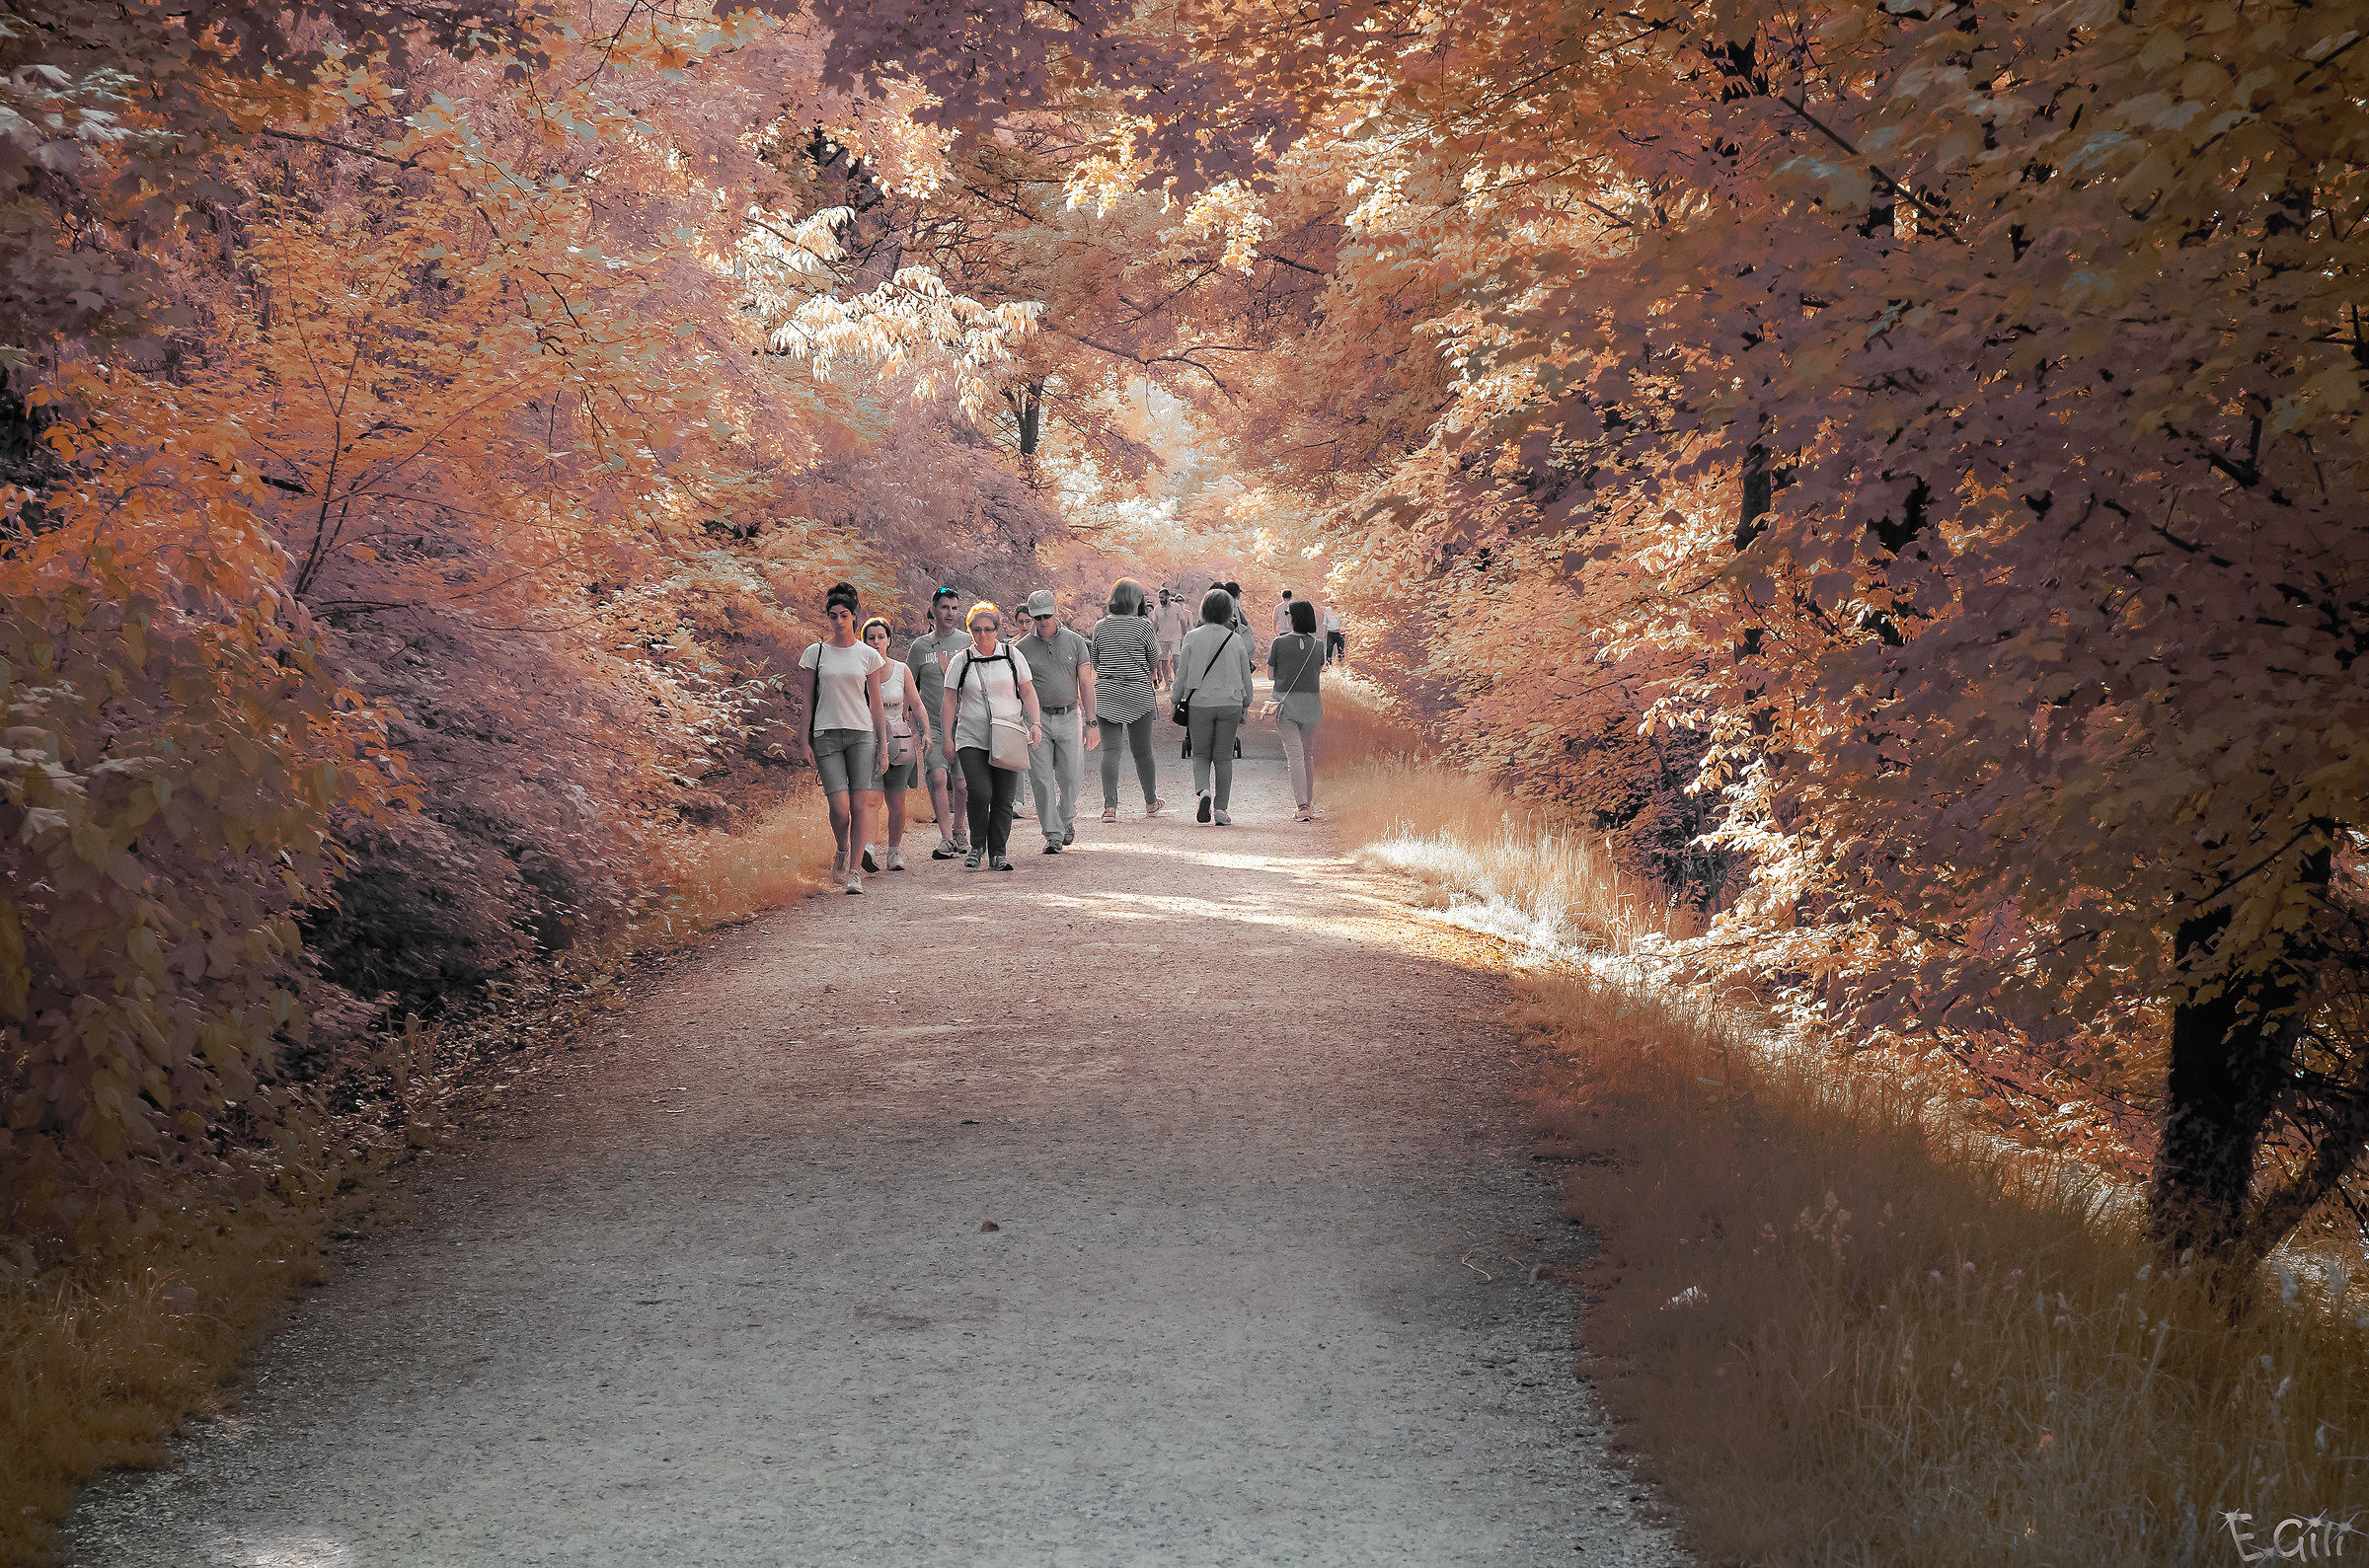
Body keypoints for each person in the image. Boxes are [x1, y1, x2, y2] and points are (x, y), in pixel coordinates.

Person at [800, 581, 889, 894]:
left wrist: (884, 748)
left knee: (859, 805)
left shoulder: (868, 655)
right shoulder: (816, 653)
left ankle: (854, 871)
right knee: (839, 808)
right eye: (833, 615)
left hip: (861, 735)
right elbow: (808, 700)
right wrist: (803, 740)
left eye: (844, 615)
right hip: (826, 735)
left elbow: (875, 703)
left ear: (854, 617)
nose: (838, 621)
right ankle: (841, 848)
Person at [940, 601, 1042, 871]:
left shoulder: (1012, 656)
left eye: (988, 629)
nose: (982, 634)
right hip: (972, 736)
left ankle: (998, 852)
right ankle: (976, 846)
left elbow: (1028, 690)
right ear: (970, 630)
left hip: (1008, 733)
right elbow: (949, 699)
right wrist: (948, 738)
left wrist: (1036, 723)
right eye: (976, 629)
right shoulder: (961, 661)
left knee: (1003, 797)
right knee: (980, 791)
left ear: (997, 629)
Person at [1016, 588, 1097, 855]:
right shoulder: (1021, 649)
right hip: (1037, 719)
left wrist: (1091, 722)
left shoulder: (1075, 642)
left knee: (1071, 776)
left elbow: (1086, 684)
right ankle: (1052, 833)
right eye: (1037, 617)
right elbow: (1017, 689)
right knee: (1040, 778)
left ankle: (1066, 818)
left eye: (1047, 615)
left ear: (1056, 611)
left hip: (1069, 714)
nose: (1042, 621)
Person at [1174, 588, 1254, 826]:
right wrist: (1245, 702)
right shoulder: (1236, 639)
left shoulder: (1192, 637)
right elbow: (1245, 677)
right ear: (1229, 612)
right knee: (1224, 758)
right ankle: (1221, 810)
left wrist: (1176, 700)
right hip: (1230, 702)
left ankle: (1204, 792)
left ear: (1204, 611)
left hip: (1200, 703)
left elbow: (1182, 674)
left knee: (1200, 753)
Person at [1091, 578, 1166, 823]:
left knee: (1110, 750)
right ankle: (1150, 802)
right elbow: (1154, 658)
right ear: (1136, 600)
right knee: (1142, 751)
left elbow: (1096, 660)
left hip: (1107, 692)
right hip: (1138, 693)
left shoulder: (1100, 627)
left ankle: (1109, 807)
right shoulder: (1143, 626)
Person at [859, 616, 928, 870]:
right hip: (868, 741)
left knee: (896, 800)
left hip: (900, 740)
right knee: (871, 799)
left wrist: (927, 732)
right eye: (871, 638)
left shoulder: (901, 670)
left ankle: (894, 852)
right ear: (863, 641)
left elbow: (917, 704)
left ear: (889, 640)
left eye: (880, 637)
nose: (876, 642)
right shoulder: (859, 671)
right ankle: (868, 849)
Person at [907, 586, 970, 859]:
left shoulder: (968, 641)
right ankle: (946, 838)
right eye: (945, 607)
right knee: (937, 776)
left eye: (955, 608)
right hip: (932, 723)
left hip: (964, 722)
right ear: (933, 610)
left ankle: (960, 830)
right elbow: (909, 686)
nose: (950, 613)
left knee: (963, 784)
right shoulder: (920, 646)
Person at [1267, 599, 1326, 821]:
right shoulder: (1318, 645)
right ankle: (1309, 805)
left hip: (1286, 704)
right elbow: (1318, 670)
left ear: (1292, 618)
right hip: (1311, 704)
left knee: (1294, 755)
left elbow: (1272, 675)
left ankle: (1302, 806)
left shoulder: (1279, 643)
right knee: (1307, 753)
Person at [1153, 590, 1191, 687]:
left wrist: (1185, 635)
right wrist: (1153, 637)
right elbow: (1155, 624)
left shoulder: (1176, 607)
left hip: (1175, 637)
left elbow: (1182, 621)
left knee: (1176, 659)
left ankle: (1177, 682)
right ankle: (1167, 683)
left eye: (1162, 597)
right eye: (1159, 598)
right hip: (1162, 638)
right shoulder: (1157, 609)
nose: (1160, 600)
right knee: (1164, 663)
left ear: (1168, 597)